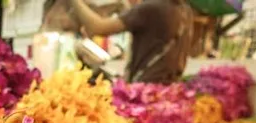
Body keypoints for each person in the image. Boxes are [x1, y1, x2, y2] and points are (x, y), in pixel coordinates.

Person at [66, 0, 194, 84]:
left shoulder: (153, 8)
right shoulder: (184, 10)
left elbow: (97, 27)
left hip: (144, 92)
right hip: (169, 92)